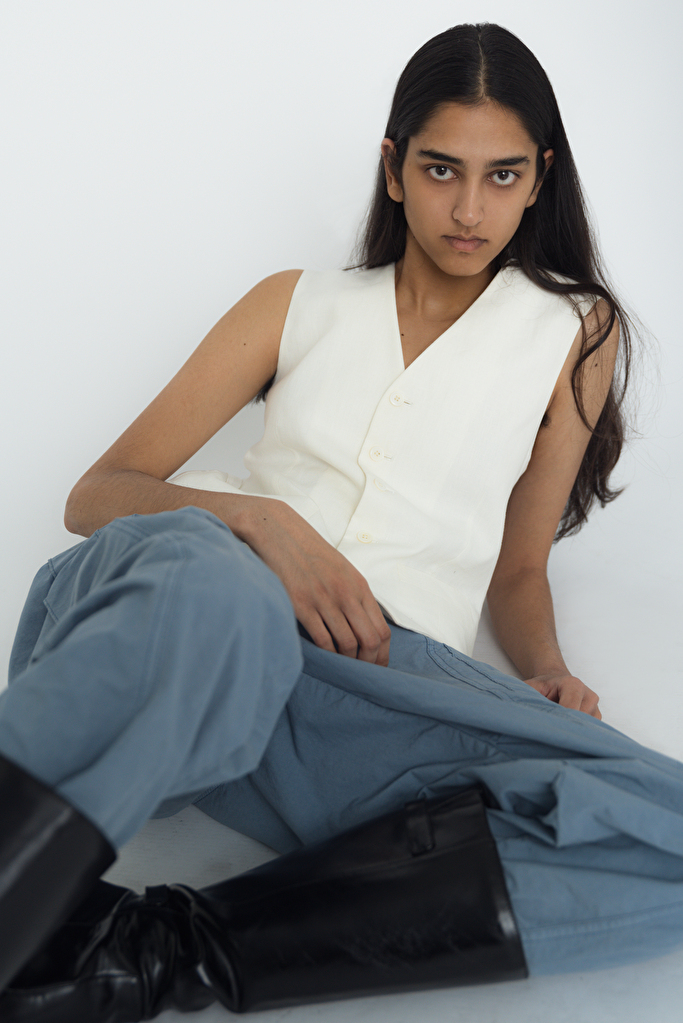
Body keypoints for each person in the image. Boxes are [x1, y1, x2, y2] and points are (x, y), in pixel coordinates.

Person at [1, 19, 682, 1022]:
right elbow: (97, 493)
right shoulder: (295, 302)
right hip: (187, 620)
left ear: (539, 179)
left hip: (373, 686)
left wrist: (542, 668)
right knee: (219, 587)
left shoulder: (573, 330)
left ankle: (150, 956)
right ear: (393, 168)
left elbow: (518, 566)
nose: (468, 208)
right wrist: (266, 529)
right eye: (440, 169)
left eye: (500, 176)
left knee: (663, 823)